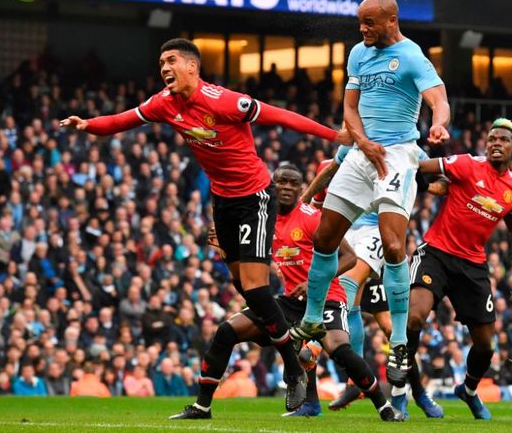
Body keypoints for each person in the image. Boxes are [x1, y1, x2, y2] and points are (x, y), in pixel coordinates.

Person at [60, 38, 350, 414]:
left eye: (172, 61)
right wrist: (87, 125)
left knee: (256, 289)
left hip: (254, 197)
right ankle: (207, 402)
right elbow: (123, 120)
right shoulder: (164, 103)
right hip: (222, 202)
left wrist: (333, 135)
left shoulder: (224, 100)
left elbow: (279, 115)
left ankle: (293, 367)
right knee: (245, 292)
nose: (164, 68)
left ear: (193, 66)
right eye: (161, 61)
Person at [290, 0, 451, 391]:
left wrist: (438, 124)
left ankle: (398, 341)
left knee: (395, 247)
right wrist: (361, 142)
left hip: (397, 154)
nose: (362, 29)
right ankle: (312, 318)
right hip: (364, 152)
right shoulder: (358, 54)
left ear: (391, 20)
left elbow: (438, 99)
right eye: (360, 22)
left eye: (369, 23)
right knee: (324, 238)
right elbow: (349, 109)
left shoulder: (412, 55)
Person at [171, 165, 403, 421]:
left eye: (294, 184)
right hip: (290, 301)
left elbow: (349, 257)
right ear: (272, 184)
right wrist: (227, 246)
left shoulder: (312, 217)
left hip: (326, 298)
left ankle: (384, 406)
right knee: (226, 331)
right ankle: (202, 406)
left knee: (340, 351)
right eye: (282, 182)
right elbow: (244, 262)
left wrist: (316, 281)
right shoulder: (263, 219)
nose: (287, 188)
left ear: (301, 189)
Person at [407, 118, 512, 420]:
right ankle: (406, 386)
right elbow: (423, 166)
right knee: (414, 317)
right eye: (492, 138)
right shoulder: (468, 164)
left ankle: (469, 391)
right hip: (437, 253)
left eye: (503, 140)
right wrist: (429, 181)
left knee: (485, 346)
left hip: (472, 265)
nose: (496, 143)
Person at [299, 146, 445, 417]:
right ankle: (363, 384)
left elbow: (437, 174)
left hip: (378, 234)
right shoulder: (338, 161)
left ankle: (416, 394)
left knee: (356, 293)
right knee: (372, 315)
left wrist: (434, 186)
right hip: (350, 236)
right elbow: (318, 203)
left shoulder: (404, 146)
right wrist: (304, 201)